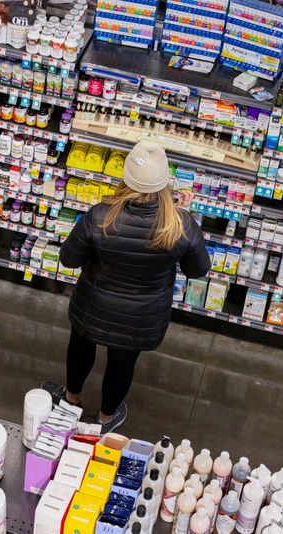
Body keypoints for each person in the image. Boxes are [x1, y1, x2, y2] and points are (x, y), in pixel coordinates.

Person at [47, 141, 211, 434]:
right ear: (165, 184)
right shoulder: (182, 225)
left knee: (81, 347)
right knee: (122, 362)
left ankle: (71, 401)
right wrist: (178, 216)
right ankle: (105, 420)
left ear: (125, 177)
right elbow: (197, 269)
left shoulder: (99, 216)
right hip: (142, 317)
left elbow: (69, 259)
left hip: (92, 308)